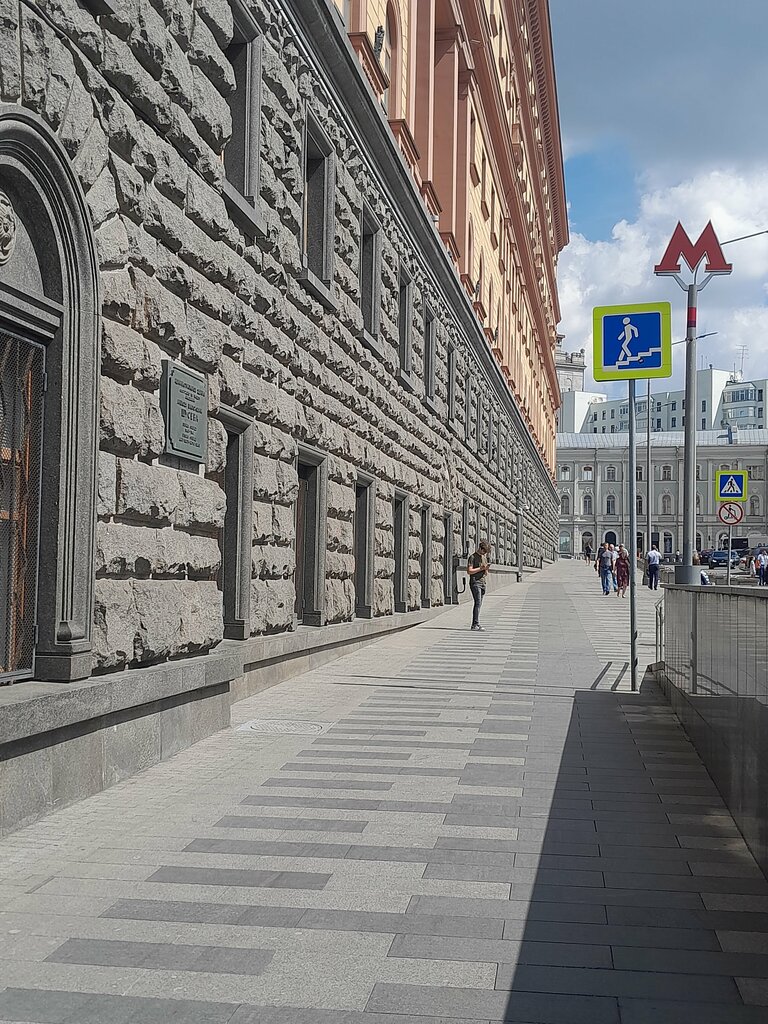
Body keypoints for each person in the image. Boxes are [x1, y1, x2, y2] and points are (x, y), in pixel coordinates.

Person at [467, 540, 491, 631]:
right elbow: (469, 571)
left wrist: (486, 569)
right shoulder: (472, 557)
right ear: (480, 548)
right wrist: (481, 568)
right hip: (475, 582)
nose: (484, 554)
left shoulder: (484, 558)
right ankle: (475, 624)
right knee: (477, 603)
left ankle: (476, 623)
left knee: (479, 604)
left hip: (482, 582)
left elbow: (486, 572)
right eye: (484, 551)